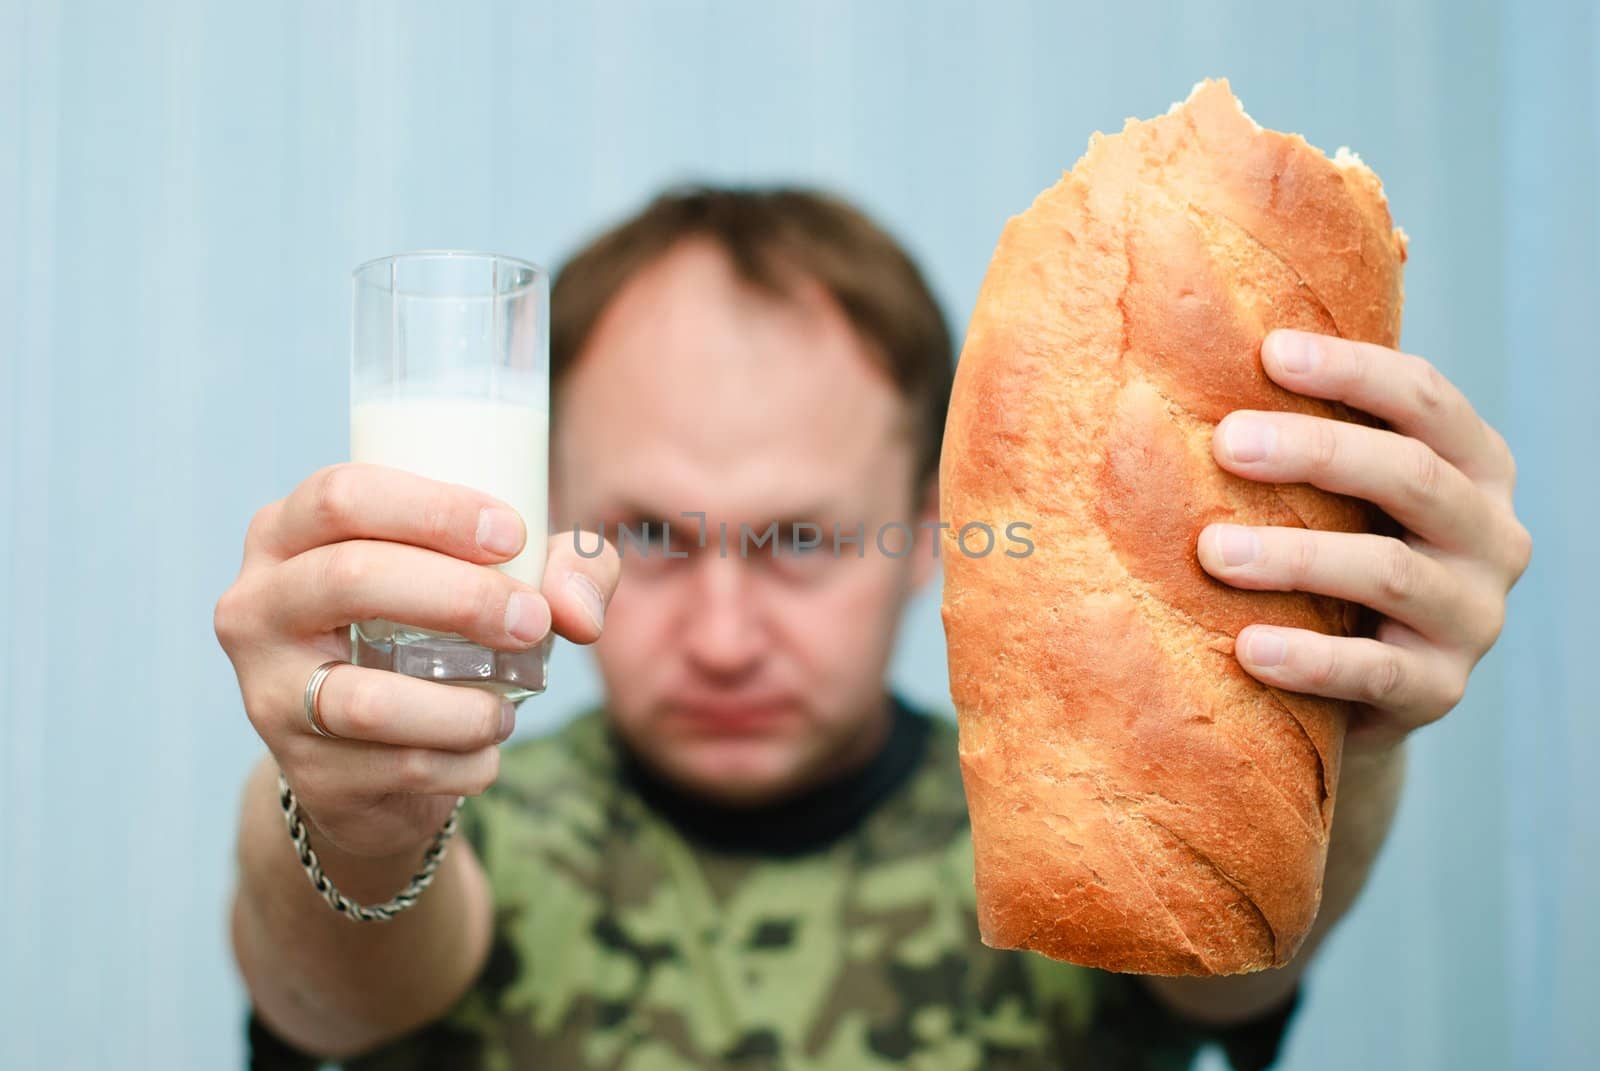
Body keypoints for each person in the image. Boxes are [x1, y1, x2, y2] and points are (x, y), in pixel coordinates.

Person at [217, 186, 1532, 1070]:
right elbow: (335, 983)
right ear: (554, 508)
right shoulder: (468, 809)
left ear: (929, 526)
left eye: (801, 541)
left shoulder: (1079, 829)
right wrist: (351, 808)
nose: (724, 633)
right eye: (656, 537)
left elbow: (1233, 966)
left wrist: (1343, 711)